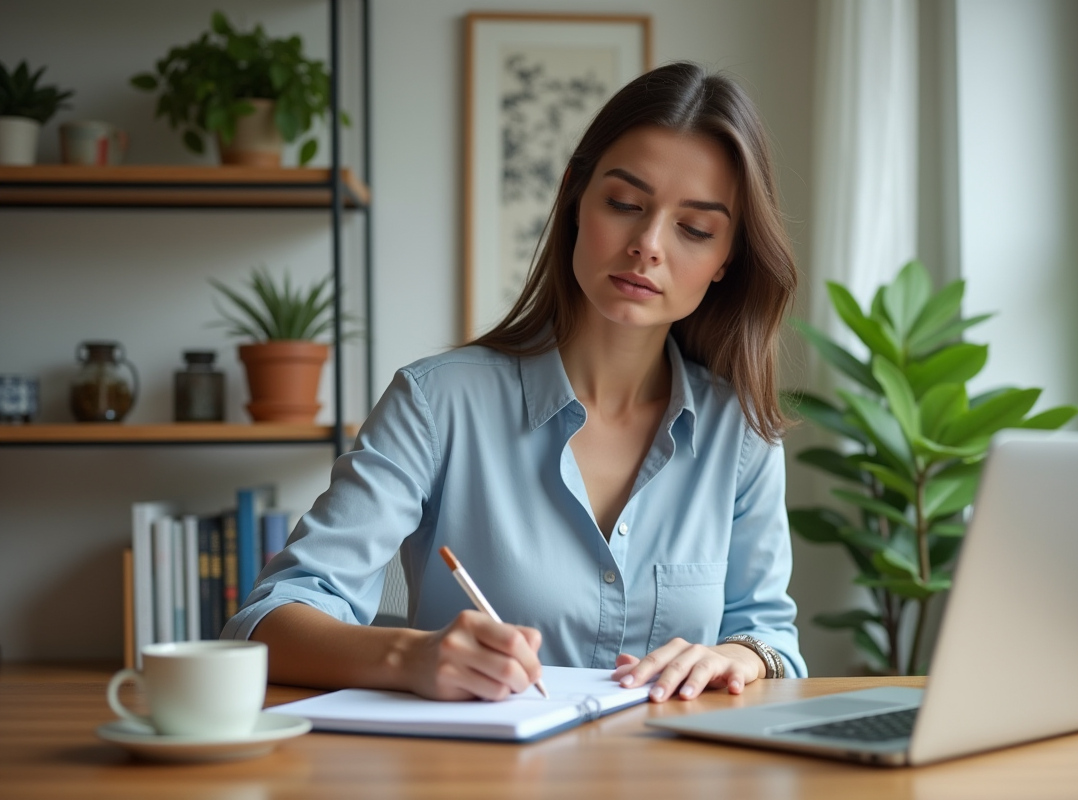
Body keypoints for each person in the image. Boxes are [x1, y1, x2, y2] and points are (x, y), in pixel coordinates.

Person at [223, 61, 806, 703]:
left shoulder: (740, 434)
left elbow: (770, 636)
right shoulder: (436, 404)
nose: (648, 244)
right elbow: (267, 621)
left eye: (695, 229)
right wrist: (411, 655)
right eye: (623, 204)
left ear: (728, 260)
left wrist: (739, 655)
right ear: (575, 199)